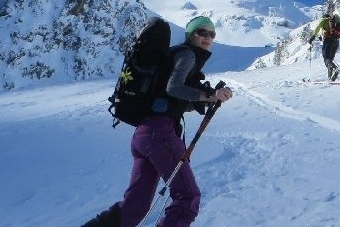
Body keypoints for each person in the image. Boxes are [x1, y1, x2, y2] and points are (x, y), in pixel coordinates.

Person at [82, 16, 235, 227]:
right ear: (191, 35)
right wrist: (211, 95)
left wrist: (205, 100)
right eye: (201, 32)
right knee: (188, 197)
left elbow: (170, 98)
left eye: (211, 34)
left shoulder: (173, 56)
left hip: (144, 135)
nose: (207, 37)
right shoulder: (187, 55)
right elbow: (174, 88)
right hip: (159, 134)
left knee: (134, 209)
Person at [308, 11, 340, 81]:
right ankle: (330, 78)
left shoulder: (324, 20)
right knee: (330, 59)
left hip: (328, 40)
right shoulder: (337, 20)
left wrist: (312, 37)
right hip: (336, 41)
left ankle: (335, 69)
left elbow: (318, 27)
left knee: (326, 58)